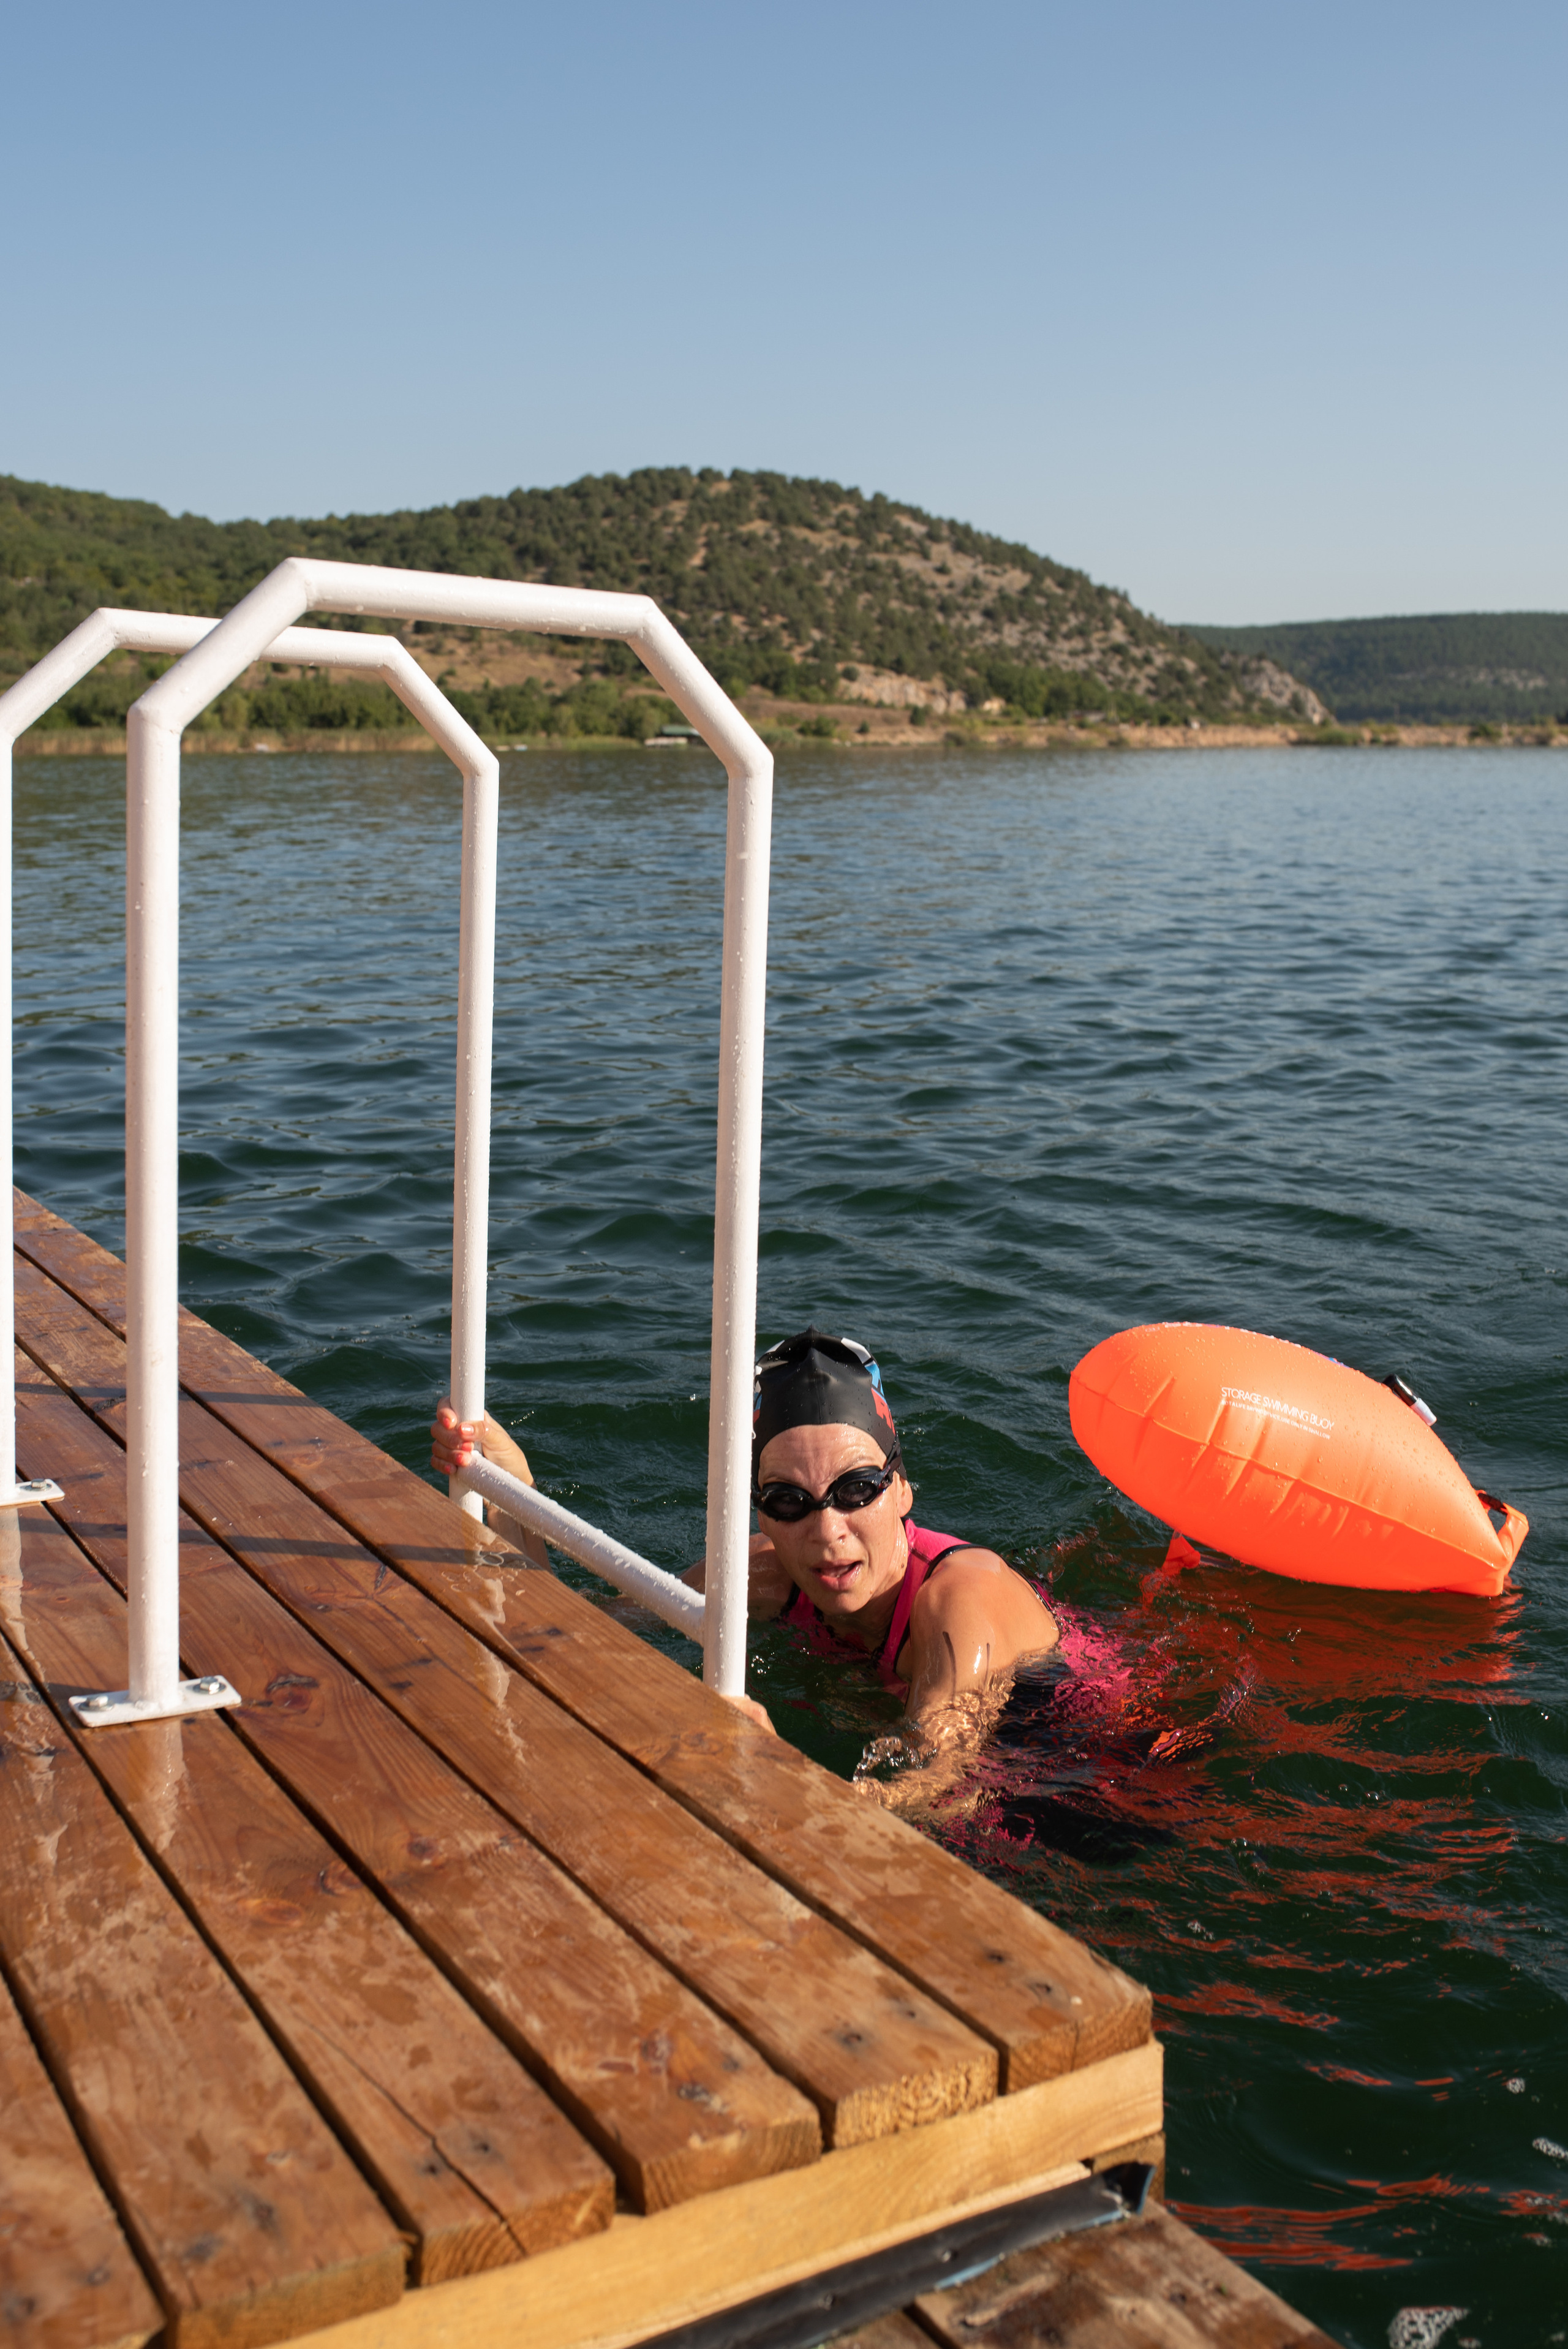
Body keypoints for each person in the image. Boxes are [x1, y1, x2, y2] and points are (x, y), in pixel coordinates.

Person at [431, 1326, 1058, 1809]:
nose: (826, 1531)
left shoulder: (959, 1601)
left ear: (902, 1491)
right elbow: (576, 1636)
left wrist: (777, 1766)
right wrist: (505, 1490)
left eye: (856, 1489)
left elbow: (941, 1790)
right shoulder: (762, 1575)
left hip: (1076, 1754)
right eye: (789, 1501)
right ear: (760, 1514)